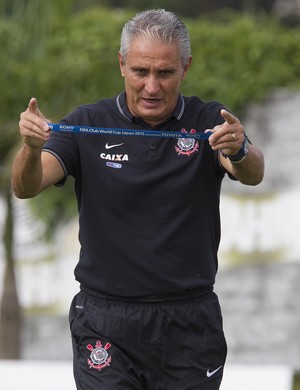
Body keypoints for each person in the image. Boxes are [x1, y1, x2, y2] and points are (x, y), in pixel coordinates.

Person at [12, 9, 264, 390]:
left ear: (185, 67)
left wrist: (240, 147)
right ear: (121, 64)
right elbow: (26, 186)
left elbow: (251, 171)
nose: (151, 86)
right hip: (105, 321)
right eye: (140, 72)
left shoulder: (208, 119)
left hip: (189, 322)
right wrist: (31, 149)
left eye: (164, 73)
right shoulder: (88, 121)